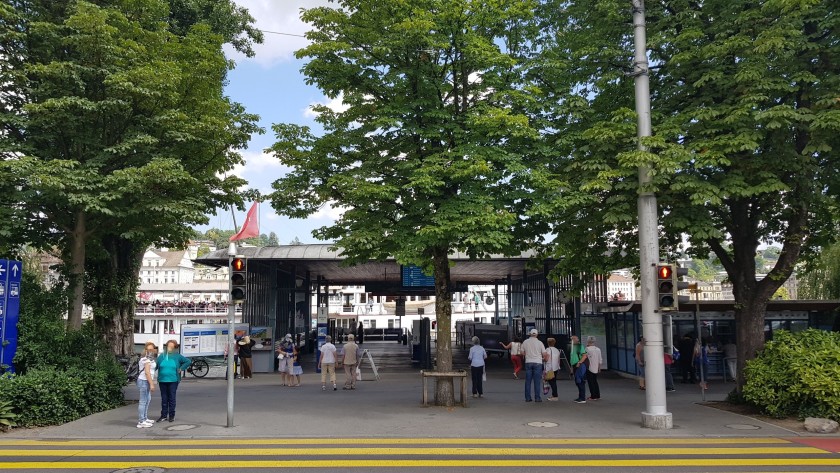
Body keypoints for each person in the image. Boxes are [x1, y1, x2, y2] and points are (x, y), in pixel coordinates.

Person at [156, 339, 191, 423]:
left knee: (171, 398)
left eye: (172, 346)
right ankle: (163, 415)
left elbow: (188, 361)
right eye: (168, 346)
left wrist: (181, 368)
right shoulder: (162, 356)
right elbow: (155, 366)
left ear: (174, 348)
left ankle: (171, 416)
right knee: (164, 399)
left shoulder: (177, 356)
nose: (170, 348)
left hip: (173, 380)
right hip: (162, 380)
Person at [521, 328, 547, 402]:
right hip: (538, 363)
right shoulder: (540, 343)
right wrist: (542, 358)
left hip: (528, 362)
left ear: (530, 334)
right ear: (537, 334)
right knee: (537, 381)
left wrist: (527, 355)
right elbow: (544, 354)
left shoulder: (525, 342)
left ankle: (528, 398)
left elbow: (522, 352)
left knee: (528, 381)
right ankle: (537, 398)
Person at [136, 340, 157, 428]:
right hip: (144, 381)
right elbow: (147, 373)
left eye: (152, 349)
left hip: (146, 381)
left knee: (147, 400)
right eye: (149, 349)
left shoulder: (150, 359)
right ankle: (141, 421)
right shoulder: (146, 359)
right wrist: (152, 384)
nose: (151, 351)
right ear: (146, 350)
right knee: (143, 401)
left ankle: (144, 418)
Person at [569, 335, 589, 403]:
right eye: (571, 339)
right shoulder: (572, 347)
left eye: (573, 339)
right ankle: (580, 397)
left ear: (577, 339)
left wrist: (579, 362)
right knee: (577, 382)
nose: (572, 340)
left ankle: (582, 398)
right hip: (575, 365)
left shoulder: (580, 346)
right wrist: (571, 368)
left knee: (580, 381)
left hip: (579, 365)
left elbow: (584, 356)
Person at [585, 336, 602, 401]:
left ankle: (593, 396)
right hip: (596, 367)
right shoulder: (598, 349)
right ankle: (597, 395)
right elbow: (600, 359)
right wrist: (599, 368)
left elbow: (585, 357)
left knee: (590, 382)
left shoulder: (587, 349)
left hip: (589, 367)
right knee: (595, 381)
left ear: (588, 341)